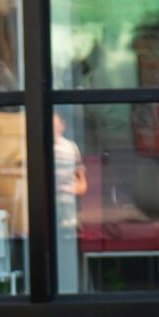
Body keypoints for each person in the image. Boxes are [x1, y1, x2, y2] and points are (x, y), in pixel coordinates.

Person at [54, 114, 87, 291]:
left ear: (63, 125)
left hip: (67, 202)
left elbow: (82, 182)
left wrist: (73, 189)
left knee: (68, 242)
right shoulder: (38, 146)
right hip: (46, 202)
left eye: (55, 124)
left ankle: (71, 287)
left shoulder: (70, 148)